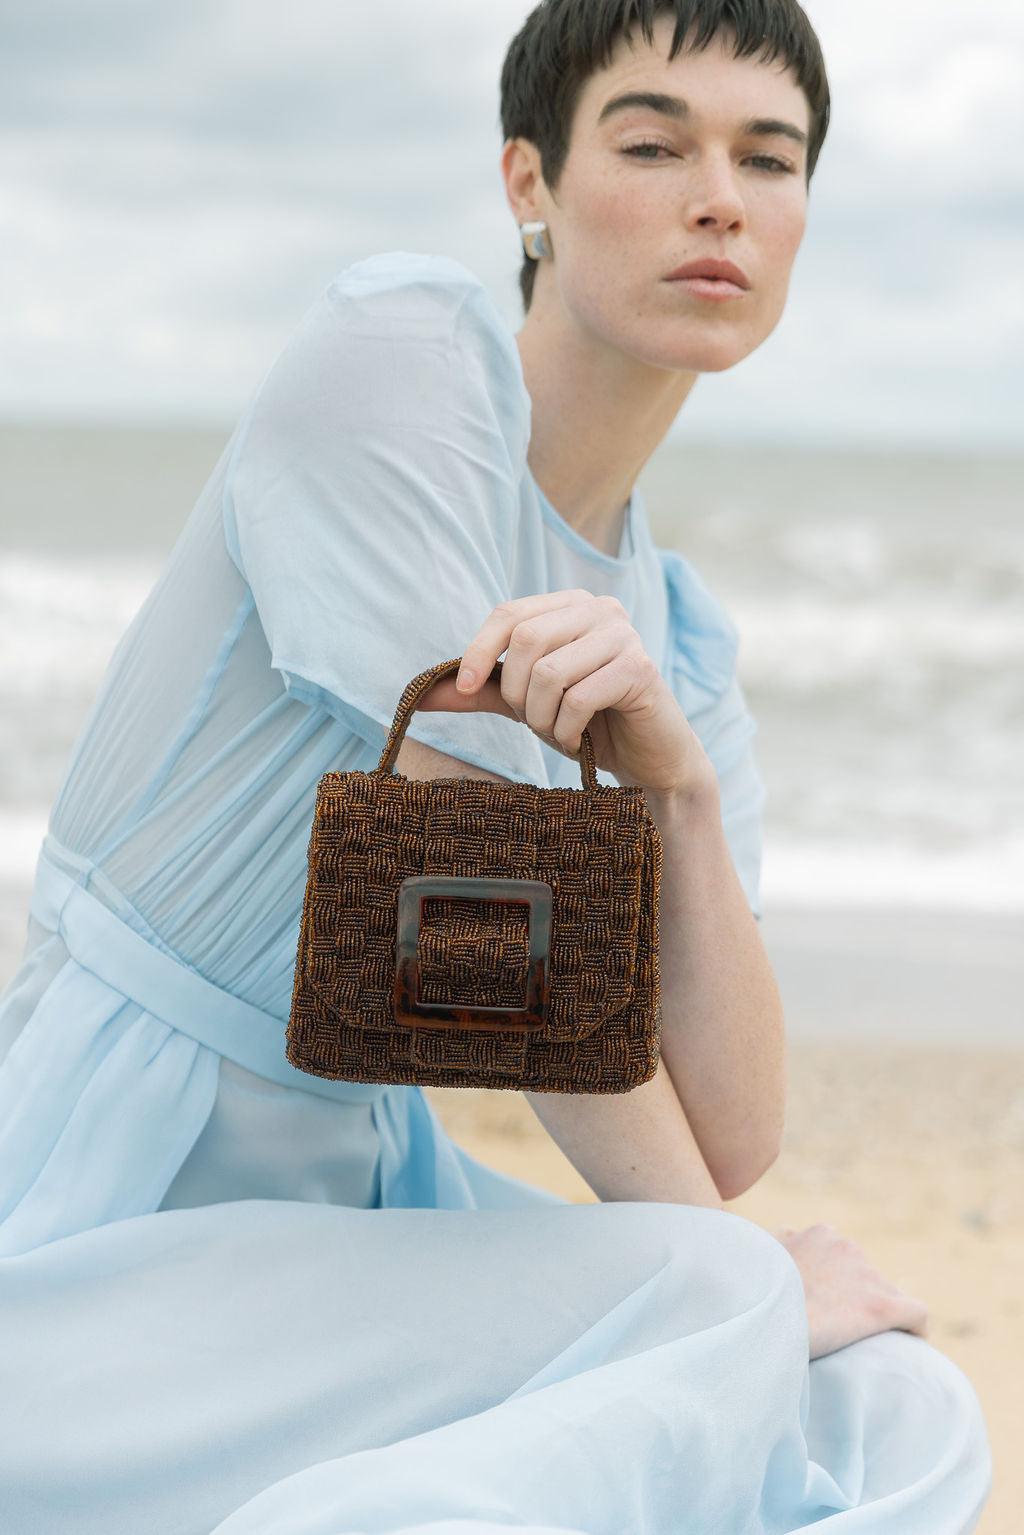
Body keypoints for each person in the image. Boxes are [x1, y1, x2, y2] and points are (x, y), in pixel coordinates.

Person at [0, 2, 991, 1531]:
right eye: (653, 143)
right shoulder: (397, 358)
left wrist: (682, 793)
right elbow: (494, 926)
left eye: (768, 158)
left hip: (357, 1212)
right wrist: (740, 1293)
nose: (719, 195)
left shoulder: (675, 635)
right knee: (735, 1310)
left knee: (896, 1396)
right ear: (528, 183)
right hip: (110, 1194)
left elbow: (727, 1133)